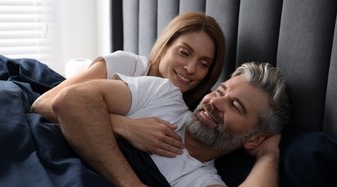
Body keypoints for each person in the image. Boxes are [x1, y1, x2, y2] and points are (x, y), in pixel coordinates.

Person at [49, 62, 291, 187]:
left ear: (254, 139)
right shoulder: (162, 95)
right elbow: (70, 100)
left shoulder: (200, 182)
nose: (214, 103)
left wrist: (269, 153)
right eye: (220, 91)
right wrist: (132, 184)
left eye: (235, 105)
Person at [31, 11, 225, 158]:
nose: (191, 68)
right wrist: (124, 126)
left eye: (203, 64)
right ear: (165, 46)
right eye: (184, 52)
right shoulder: (128, 64)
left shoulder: (193, 110)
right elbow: (42, 105)